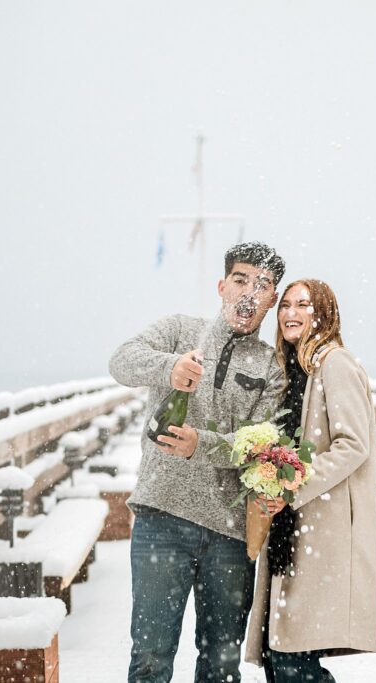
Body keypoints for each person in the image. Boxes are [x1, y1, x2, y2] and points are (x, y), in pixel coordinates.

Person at [109, 241, 287, 683]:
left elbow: (258, 443)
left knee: (221, 665)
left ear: (273, 299)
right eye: (242, 280)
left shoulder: (271, 366)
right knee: (150, 655)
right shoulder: (178, 330)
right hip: (160, 518)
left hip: (229, 532)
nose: (250, 292)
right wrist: (169, 368)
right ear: (222, 285)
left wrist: (200, 445)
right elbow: (121, 362)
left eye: (263, 285)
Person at [245, 279, 376, 682]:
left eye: (303, 304)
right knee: (280, 654)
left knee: (293, 658)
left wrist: (292, 485)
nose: (290, 312)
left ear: (323, 313)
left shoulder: (335, 363)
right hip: (294, 529)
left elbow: (353, 444)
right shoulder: (295, 369)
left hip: (323, 528)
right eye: (285, 304)